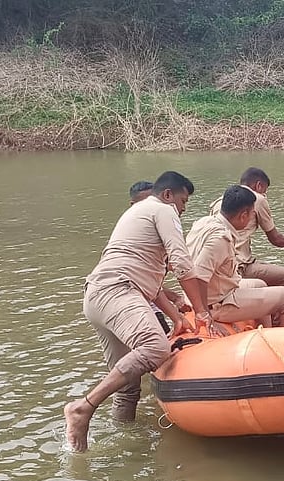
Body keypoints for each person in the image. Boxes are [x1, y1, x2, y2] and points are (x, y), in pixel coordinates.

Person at [63, 171, 217, 452]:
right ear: (169, 195)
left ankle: (114, 447)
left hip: (97, 295)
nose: (183, 209)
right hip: (117, 291)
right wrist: (202, 312)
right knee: (157, 348)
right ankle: (82, 408)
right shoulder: (162, 209)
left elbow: (152, 287)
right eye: (183, 201)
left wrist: (177, 317)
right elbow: (183, 263)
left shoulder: (137, 217)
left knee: (128, 386)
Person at [187, 185, 284, 328]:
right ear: (243, 215)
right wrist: (203, 314)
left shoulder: (204, 222)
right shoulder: (220, 238)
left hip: (217, 291)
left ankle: (266, 333)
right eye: (252, 214)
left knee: (260, 284)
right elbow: (199, 276)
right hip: (216, 302)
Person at [209, 167, 284, 296]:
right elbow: (275, 239)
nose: (265, 195)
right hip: (240, 266)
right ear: (258, 185)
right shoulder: (257, 200)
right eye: (265, 190)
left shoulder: (222, 201)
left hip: (221, 267)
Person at [128, 180, 190, 334]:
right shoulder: (132, 237)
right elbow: (145, 282)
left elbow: (176, 267)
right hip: (135, 302)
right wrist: (175, 299)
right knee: (158, 347)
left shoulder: (164, 229)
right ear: (133, 206)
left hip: (152, 298)